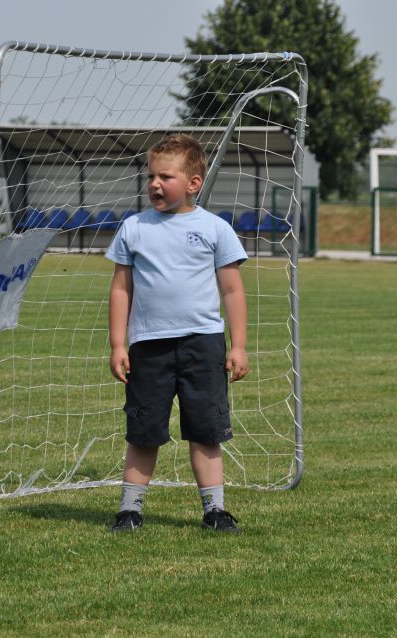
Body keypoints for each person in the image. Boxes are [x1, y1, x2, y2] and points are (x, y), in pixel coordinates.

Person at [105, 133, 249, 533]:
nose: (154, 184)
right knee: (144, 431)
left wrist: (238, 345)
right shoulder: (133, 228)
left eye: (165, 176)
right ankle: (129, 511)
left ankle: (215, 511)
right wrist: (119, 343)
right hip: (148, 346)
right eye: (150, 176)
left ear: (193, 183)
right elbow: (121, 288)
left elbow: (232, 289)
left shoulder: (215, 229)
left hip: (203, 343)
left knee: (205, 431)